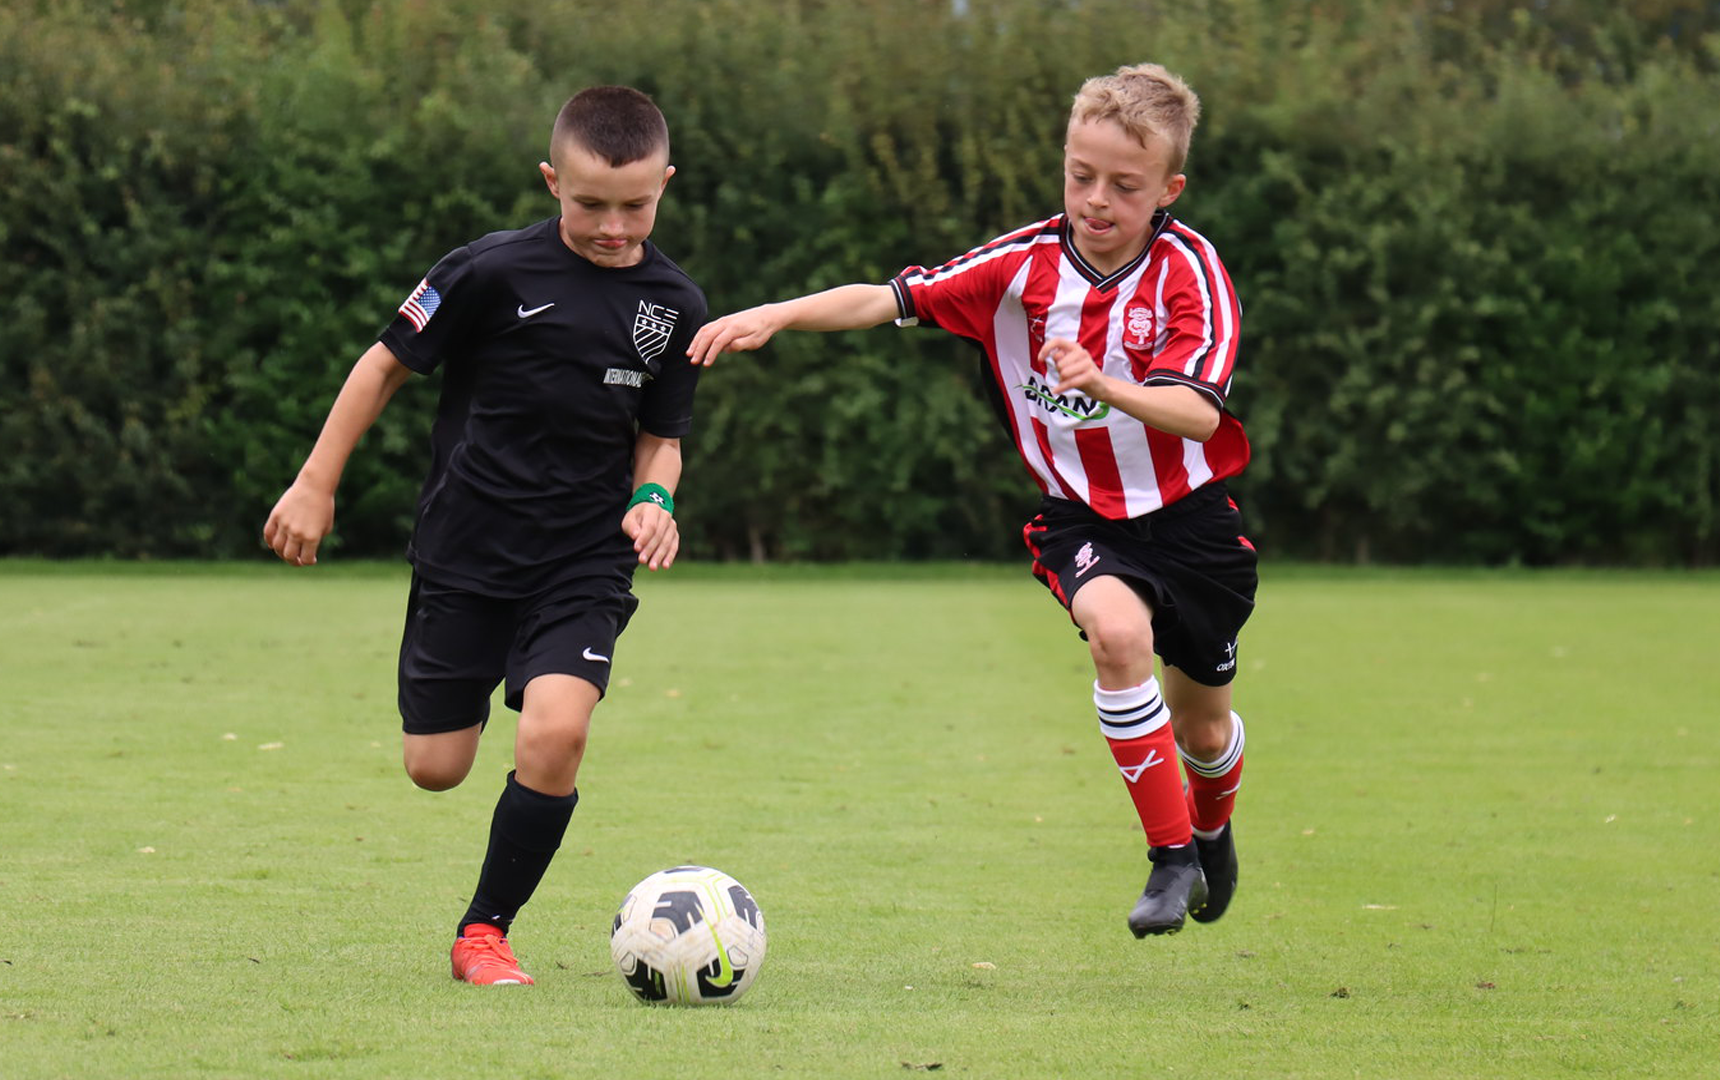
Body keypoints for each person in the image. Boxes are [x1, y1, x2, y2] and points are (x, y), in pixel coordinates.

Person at [687, 64, 1252, 939]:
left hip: (1190, 524)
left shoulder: (1191, 274)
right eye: (1079, 175)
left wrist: (1104, 383)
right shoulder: (1021, 265)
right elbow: (890, 297)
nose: (1095, 199)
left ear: (1170, 190)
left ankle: (1210, 824)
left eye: (1123, 185)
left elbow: (1195, 412)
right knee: (1116, 633)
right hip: (1081, 518)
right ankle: (1170, 856)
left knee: (1206, 730)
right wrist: (779, 312)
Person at [263, 85, 705, 983]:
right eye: (590, 204)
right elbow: (383, 365)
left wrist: (653, 502)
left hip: (582, 559)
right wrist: (316, 482)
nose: (614, 227)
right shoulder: (487, 272)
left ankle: (483, 933)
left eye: (635, 205)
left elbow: (661, 438)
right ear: (552, 181)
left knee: (555, 733)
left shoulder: (675, 305)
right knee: (435, 768)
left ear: (666, 182)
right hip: (465, 553)